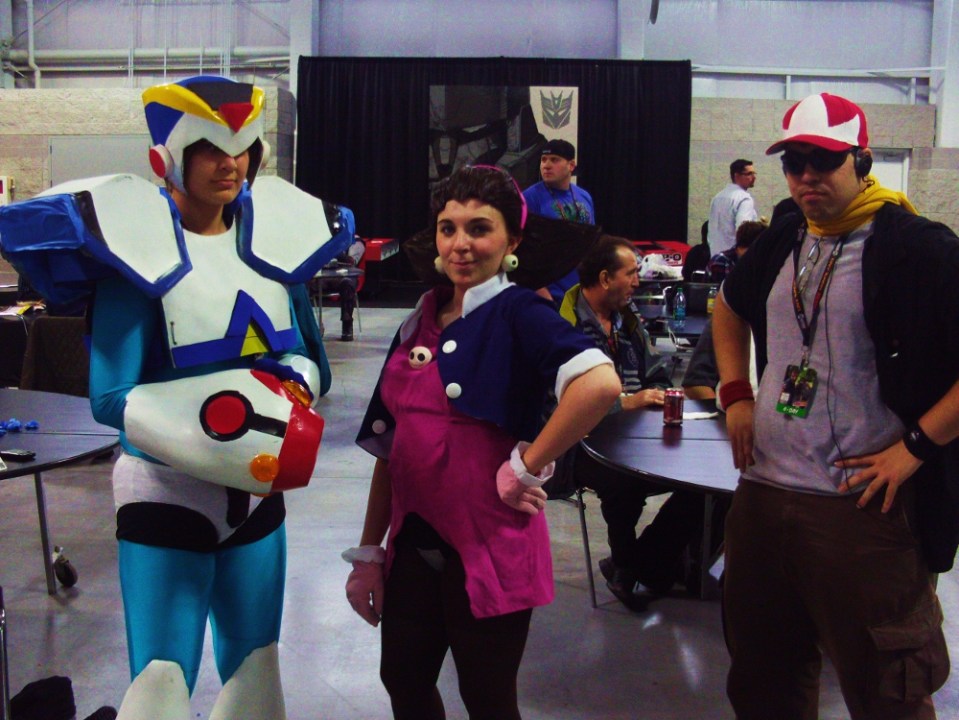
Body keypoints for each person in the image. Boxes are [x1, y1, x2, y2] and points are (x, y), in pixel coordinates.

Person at [1, 75, 353, 719]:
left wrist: (292, 385)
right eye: (210, 149)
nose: (229, 164)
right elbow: (112, 397)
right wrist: (215, 423)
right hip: (164, 492)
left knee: (257, 665)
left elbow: (311, 360)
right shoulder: (135, 256)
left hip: (258, 491)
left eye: (242, 148)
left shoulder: (275, 248)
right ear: (166, 158)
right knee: (160, 679)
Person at [713, 92, 958, 720]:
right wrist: (735, 393)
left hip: (860, 511)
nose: (806, 177)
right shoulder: (786, 236)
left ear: (862, 160)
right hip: (763, 496)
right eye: (794, 163)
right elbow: (728, 306)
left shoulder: (919, 249)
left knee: (888, 694)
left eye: (824, 161)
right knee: (764, 682)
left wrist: (916, 448)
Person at [344, 165, 620, 719]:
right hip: (412, 545)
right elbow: (392, 449)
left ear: (512, 241)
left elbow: (599, 383)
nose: (460, 244)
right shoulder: (420, 317)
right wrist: (371, 550)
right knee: (402, 681)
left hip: (491, 546)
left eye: (479, 228)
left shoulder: (520, 311)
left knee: (487, 700)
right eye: (448, 228)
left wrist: (527, 464)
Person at [557, 236, 707, 607]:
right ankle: (636, 566)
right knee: (623, 484)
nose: (637, 282)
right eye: (631, 274)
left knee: (701, 484)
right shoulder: (562, 329)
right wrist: (625, 404)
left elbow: (657, 373)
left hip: (637, 439)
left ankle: (640, 564)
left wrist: (657, 396)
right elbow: (561, 404)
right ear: (605, 278)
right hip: (578, 447)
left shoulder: (628, 322)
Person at [522, 139, 596, 305]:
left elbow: (591, 244)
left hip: (581, 291)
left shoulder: (584, 196)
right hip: (550, 294)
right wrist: (543, 295)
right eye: (543, 160)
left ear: (571, 165)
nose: (546, 165)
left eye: (554, 160)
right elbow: (523, 253)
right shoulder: (529, 198)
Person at [707, 158, 759, 253]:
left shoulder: (717, 197)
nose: (754, 177)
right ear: (737, 176)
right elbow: (744, 232)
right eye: (749, 174)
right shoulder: (744, 199)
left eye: (754, 173)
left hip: (715, 254)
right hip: (735, 256)